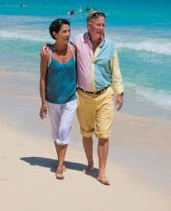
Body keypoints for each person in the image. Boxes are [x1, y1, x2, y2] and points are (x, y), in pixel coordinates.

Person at [42, 10, 124, 185]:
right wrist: (47, 47)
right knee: (86, 133)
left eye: (103, 25)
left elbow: (115, 70)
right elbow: (61, 44)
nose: (102, 28)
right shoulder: (78, 41)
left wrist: (119, 92)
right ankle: (90, 163)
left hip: (104, 95)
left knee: (103, 134)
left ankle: (101, 172)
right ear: (89, 26)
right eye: (99, 25)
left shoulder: (110, 46)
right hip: (83, 96)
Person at [39, 18, 78, 180]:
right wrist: (43, 103)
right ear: (55, 33)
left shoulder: (74, 50)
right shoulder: (47, 53)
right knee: (56, 133)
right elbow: (42, 78)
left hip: (70, 98)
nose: (68, 34)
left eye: (69, 31)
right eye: (64, 31)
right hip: (52, 99)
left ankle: (61, 165)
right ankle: (60, 160)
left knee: (63, 130)